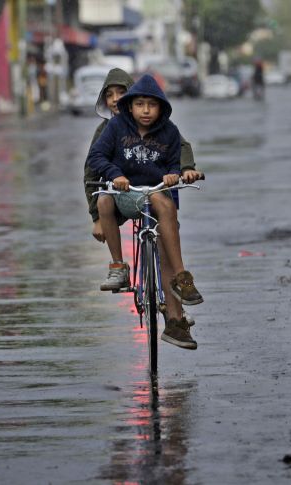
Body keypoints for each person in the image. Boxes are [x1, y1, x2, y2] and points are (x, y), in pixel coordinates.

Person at [87, 74, 204, 350]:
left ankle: (176, 314)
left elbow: (178, 156)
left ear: (161, 107)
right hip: (124, 195)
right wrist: (97, 214)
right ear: (130, 105)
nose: (146, 110)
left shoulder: (168, 130)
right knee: (103, 200)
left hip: (159, 196)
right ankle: (118, 266)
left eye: (151, 104)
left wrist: (181, 171)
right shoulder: (112, 128)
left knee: (165, 254)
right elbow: (93, 164)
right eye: (139, 104)